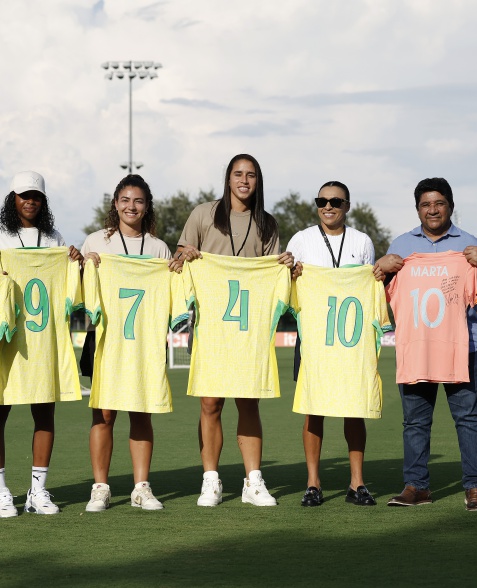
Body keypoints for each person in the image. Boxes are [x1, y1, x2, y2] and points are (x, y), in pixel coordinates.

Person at [373, 177, 477, 511]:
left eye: (439, 203)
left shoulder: (469, 245)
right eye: (425, 204)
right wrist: (380, 269)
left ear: (450, 205)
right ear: (417, 208)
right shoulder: (401, 246)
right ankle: (416, 486)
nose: (432, 210)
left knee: (469, 419)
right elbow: (376, 291)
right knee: (415, 422)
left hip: (461, 348)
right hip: (415, 347)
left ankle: (476, 487)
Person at [175, 154, 293, 507]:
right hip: (212, 326)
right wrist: (187, 252)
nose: (244, 180)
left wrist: (284, 264)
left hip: (249, 330)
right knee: (210, 402)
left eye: (251, 175)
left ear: (258, 181)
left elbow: (274, 272)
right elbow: (180, 255)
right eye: (238, 174)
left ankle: (252, 480)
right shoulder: (203, 214)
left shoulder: (268, 224)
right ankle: (210, 479)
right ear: (227, 179)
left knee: (248, 400)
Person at [81, 174, 175, 512]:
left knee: (141, 411)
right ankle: (100, 487)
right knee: (104, 413)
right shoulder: (95, 241)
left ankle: (141, 487)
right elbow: (80, 287)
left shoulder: (157, 247)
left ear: (146, 206)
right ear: (115, 204)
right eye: (124, 199)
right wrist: (82, 265)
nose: (130, 206)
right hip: (106, 339)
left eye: (137, 201)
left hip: (145, 341)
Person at [287, 181, 377, 507]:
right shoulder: (301, 240)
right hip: (313, 339)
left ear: (347, 205)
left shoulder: (362, 242)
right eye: (322, 200)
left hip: (351, 341)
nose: (328, 206)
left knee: (354, 411)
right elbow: (287, 285)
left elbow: (369, 285)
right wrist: (291, 274)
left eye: (335, 201)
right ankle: (313, 483)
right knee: (314, 411)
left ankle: (357, 483)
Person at [0, 171, 82, 518]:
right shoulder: (1, 237)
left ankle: (37, 490)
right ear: (12, 198)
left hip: (44, 339)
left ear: (43, 200)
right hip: (7, 340)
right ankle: (2, 490)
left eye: (36, 196)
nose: (29, 201)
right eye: (23, 195)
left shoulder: (53, 240)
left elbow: (69, 279)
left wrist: (76, 260)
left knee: (44, 413)